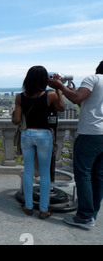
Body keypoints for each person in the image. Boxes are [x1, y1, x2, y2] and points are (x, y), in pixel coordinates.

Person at [49, 61, 103, 227]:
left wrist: (60, 86)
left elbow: (78, 98)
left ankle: (84, 216)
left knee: (83, 173)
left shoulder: (93, 79)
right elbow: (85, 103)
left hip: (90, 133)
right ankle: (92, 214)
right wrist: (71, 92)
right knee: (99, 176)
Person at [13, 66, 64, 219]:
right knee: (44, 173)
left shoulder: (20, 97)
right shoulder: (51, 95)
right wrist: (59, 88)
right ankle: (43, 209)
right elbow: (61, 108)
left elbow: (16, 120)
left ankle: (28, 206)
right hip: (44, 134)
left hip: (27, 134)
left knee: (28, 172)